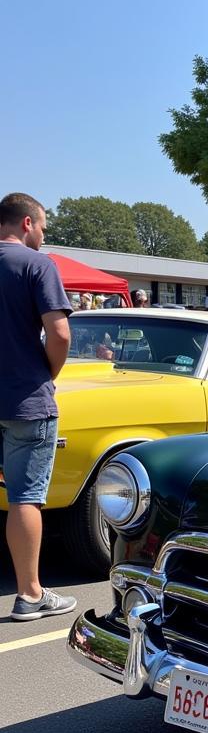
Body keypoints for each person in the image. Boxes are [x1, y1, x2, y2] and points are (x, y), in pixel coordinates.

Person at [0, 192, 77, 621]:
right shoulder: (36, 264)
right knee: (25, 498)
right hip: (24, 399)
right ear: (27, 223)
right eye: (43, 226)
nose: (44, 234)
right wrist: (46, 375)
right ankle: (30, 594)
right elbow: (60, 333)